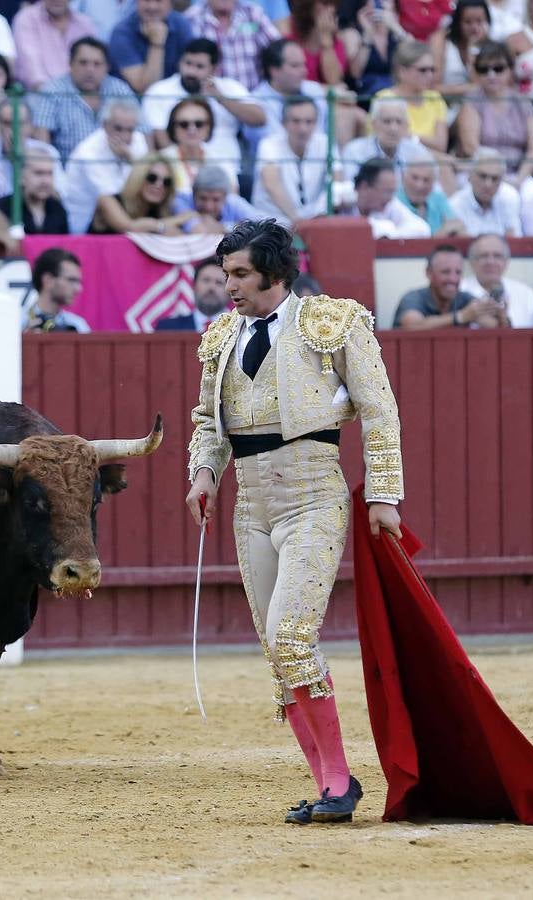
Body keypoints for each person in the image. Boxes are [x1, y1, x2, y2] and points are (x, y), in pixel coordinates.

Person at [184, 219, 402, 826]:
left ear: (275, 273)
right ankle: (331, 783)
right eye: (225, 274)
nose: (228, 286)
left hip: (312, 496)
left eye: (240, 274)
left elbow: (380, 411)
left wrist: (384, 494)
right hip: (251, 506)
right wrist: (203, 472)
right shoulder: (221, 336)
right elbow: (207, 420)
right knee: (277, 651)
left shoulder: (333, 322)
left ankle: (339, 783)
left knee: (291, 638)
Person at [142, 40, 264, 177]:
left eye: (199, 66)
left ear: (213, 69)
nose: (191, 71)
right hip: (179, 171)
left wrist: (221, 98)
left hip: (228, 170)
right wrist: (185, 169)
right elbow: (162, 139)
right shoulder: (159, 91)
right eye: (188, 63)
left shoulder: (229, 87)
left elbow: (259, 118)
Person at [30, 37, 138, 164]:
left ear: (107, 67)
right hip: (68, 170)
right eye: (83, 63)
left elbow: (143, 131)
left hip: (116, 167)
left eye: (97, 64)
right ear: (70, 64)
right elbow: (42, 141)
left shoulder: (119, 90)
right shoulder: (53, 91)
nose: (90, 70)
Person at [454, 41, 533, 188]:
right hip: (481, 173)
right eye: (484, 70)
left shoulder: (522, 102)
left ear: (510, 70)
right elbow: (471, 147)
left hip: (519, 174)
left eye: (498, 69)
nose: (491, 75)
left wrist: (519, 179)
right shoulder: (472, 101)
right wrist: (500, 177)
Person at [61, 100, 149, 232]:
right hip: (86, 223)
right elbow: (111, 196)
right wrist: (131, 161)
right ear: (105, 125)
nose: (124, 136)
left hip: (125, 214)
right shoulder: (88, 152)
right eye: (118, 128)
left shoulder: (138, 140)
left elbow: (146, 179)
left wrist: (130, 158)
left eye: (130, 130)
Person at [253, 96, 330, 226]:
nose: (303, 129)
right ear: (283, 123)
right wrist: (298, 221)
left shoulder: (325, 143)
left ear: (317, 123)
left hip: (313, 221)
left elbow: (337, 182)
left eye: (309, 122)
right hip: (272, 223)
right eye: (296, 121)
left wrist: (319, 213)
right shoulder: (269, 144)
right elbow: (271, 184)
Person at [392, 243, 502, 328]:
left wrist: (500, 313)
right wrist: (461, 317)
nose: (453, 279)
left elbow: (495, 325)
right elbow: (412, 326)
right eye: (445, 272)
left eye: (458, 272)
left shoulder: (465, 298)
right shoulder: (413, 298)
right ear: (429, 273)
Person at [373, 40, 449, 157]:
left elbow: (440, 145)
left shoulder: (435, 98)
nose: (429, 75)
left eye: (432, 70)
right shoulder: (385, 98)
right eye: (423, 70)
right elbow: (386, 143)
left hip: (433, 161)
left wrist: (411, 137)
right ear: (402, 71)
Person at [88, 154, 194, 234]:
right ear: (138, 178)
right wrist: (171, 223)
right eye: (152, 178)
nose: (159, 185)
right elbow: (129, 228)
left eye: (166, 182)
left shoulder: (160, 211)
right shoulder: (107, 201)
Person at [192, 0, 282, 90]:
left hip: (255, 95)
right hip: (211, 95)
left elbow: (279, 50)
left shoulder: (253, 13)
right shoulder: (193, 18)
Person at [109, 0, 195, 93]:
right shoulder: (122, 33)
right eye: (147, 0)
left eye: (159, 1)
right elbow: (146, 89)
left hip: (176, 95)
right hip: (131, 99)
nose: (152, 6)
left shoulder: (181, 24)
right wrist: (157, 44)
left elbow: (193, 71)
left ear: (170, 4)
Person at [13, 0, 99, 91]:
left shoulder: (85, 24)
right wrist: (54, 95)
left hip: (81, 93)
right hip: (40, 94)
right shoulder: (26, 19)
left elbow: (96, 63)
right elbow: (33, 73)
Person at [341, 158, 432, 238]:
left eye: (392, 192)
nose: (390, 198)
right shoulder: (341, 195)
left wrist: (388, 234)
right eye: (386, 192)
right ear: (365, 187)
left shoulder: (389, 203)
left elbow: (423, 229)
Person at [0, 149, 71, 235]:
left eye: (49, 173)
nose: (45, 181)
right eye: (39, 173)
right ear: (20, 176)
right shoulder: (2, 209)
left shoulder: (58, 209)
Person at [449, 148, 523, 236]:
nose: (488, 184)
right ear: (470, 175)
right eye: (483, 176)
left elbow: (514, 238)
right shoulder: (455, 205)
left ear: (501, 180)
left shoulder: (509, 199)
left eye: (494, 178)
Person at [173, 165, 264, 233]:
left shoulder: (233, 201)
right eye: (203, 198)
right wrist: (238, 227)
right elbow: (199, 231)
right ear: (193, 194)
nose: (209, 206)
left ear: (225, 198)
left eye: (216, 200)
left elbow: (265, 224)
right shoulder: (181, 200)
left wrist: (224, 227)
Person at [24, 246, 91, 332]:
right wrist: (23, 339)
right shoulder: (16, 322)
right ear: (48, 280)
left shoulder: (78, 326)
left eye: (78, 282)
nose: (79, 289)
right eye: (71, 280)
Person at [155, 256, 229, 330]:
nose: (211, 287)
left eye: (219, 282)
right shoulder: (167, 328)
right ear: (194, 285)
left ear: (229, 290)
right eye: (206, 280)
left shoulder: (235, 329)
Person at [399, 157, 462, 235]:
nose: (419, 185)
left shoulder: (438, 198)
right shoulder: (393, 200)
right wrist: (438, 236)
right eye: (415, 178)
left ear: (433, 183)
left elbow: (457, 225)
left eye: (426, 180)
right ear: (403, 177)